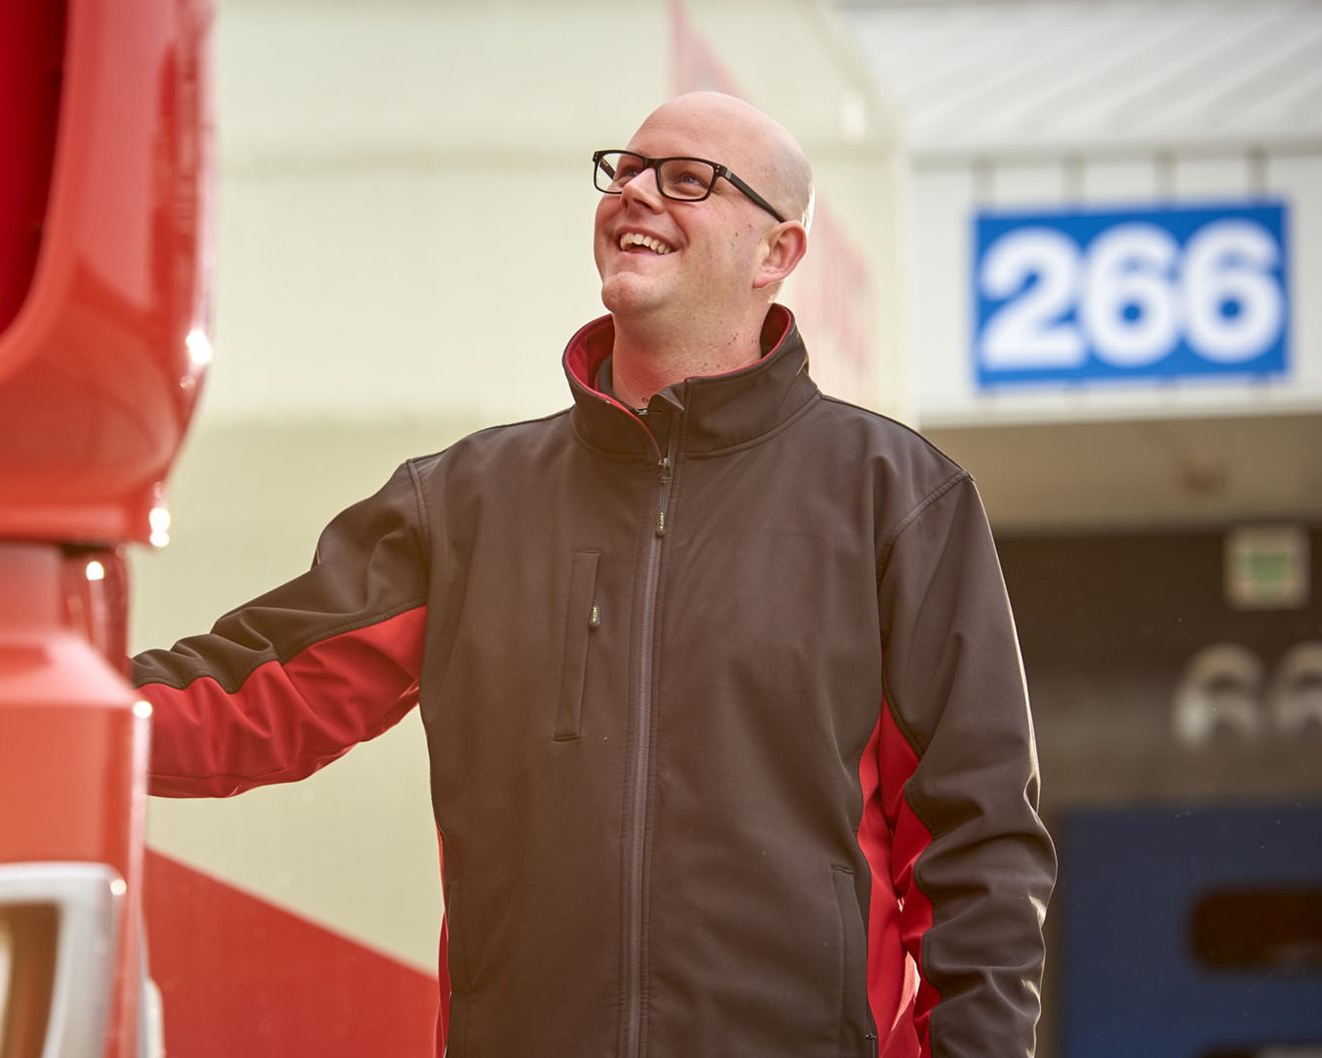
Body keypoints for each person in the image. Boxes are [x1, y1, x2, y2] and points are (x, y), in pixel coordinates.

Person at [134, 92, 1057, 1058]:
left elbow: (978, 844)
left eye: (688, 180)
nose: (638, 194)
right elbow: (252, 695)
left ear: (776, 255)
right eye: (625, 171)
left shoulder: (896, 500)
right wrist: (52, 712)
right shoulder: (464, 504)